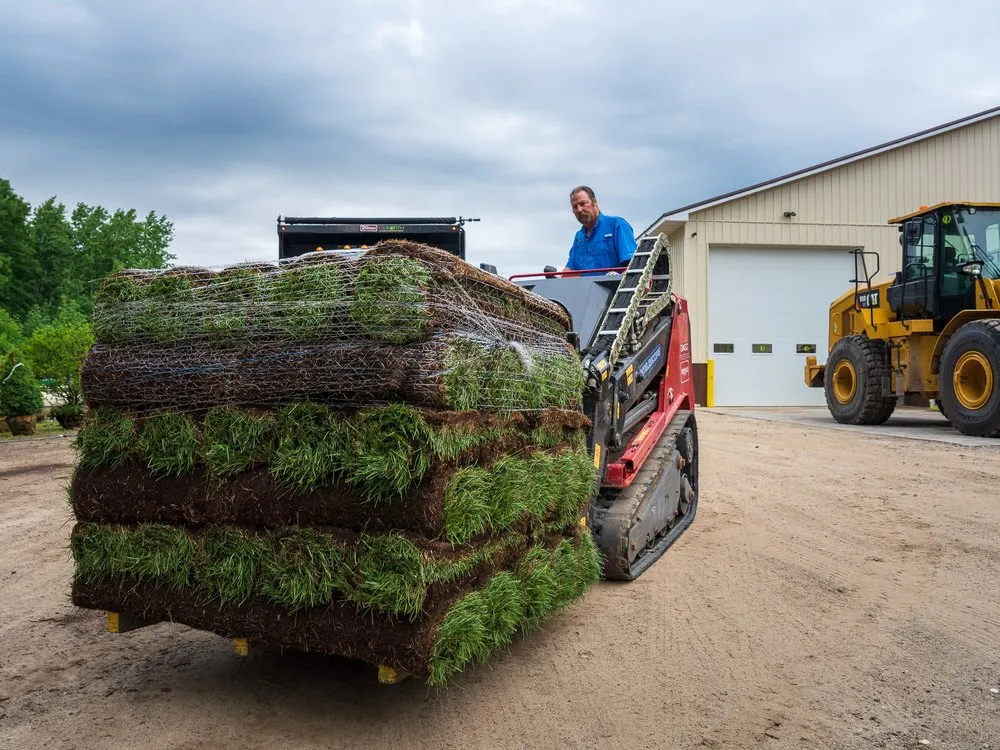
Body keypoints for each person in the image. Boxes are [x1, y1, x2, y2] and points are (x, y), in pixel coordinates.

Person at [562, 186, 637, 275]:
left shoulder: (616, 225)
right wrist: (554, 279)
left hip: (613, 287)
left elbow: (633, 265)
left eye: (583, 204)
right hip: (585, 288)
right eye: (575, 207)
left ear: (595, 202)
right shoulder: (579, 237)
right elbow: (570, 271)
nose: (579, 209)